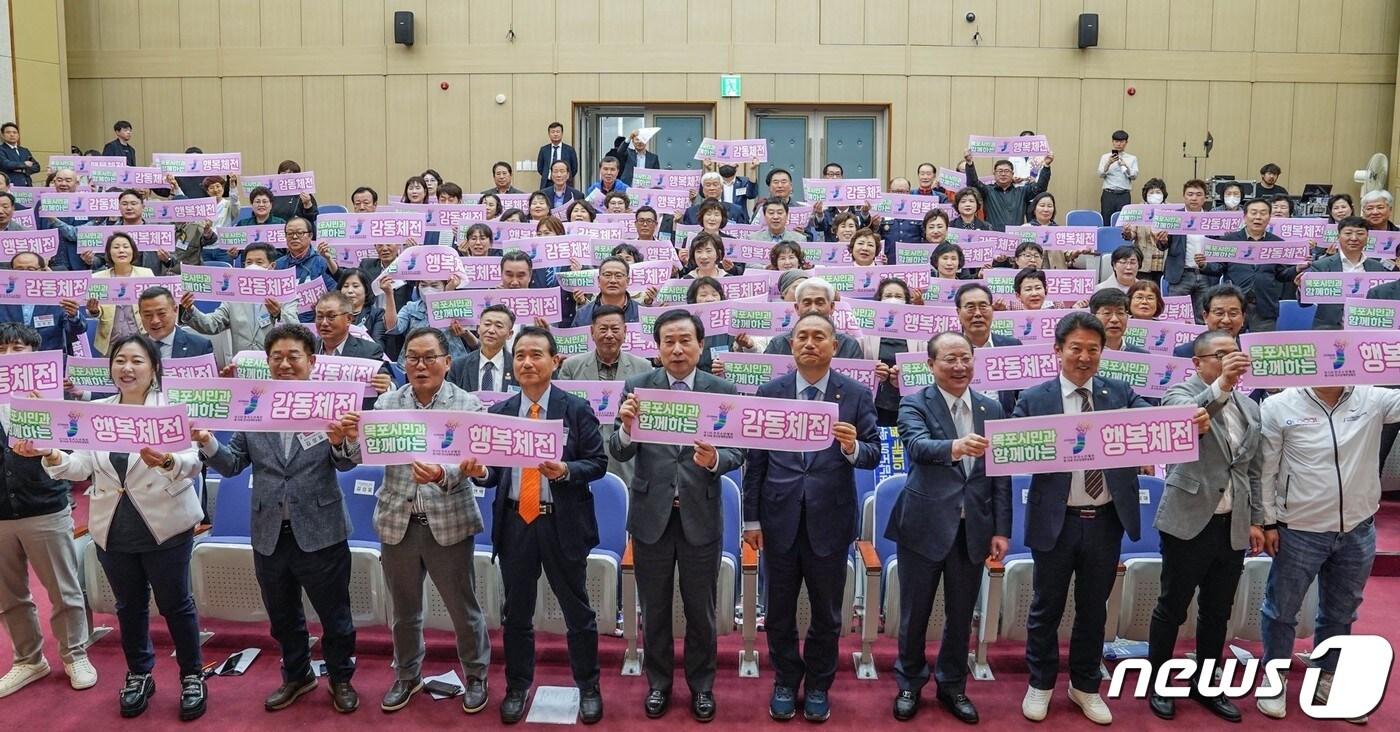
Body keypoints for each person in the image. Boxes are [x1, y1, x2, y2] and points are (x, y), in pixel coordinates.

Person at [22, 334, 205, 720]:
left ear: (154, 368)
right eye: (120, 360)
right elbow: (81, 467)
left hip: (165, 524)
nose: (127, 368)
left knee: (176, 604)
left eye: (137, 361)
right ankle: (140, 673)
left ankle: (192, 675)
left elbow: (193, 461)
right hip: (113, 527)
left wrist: (167, 462)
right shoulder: (100, 411)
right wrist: (52, 453)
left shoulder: (171, 409)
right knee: (129, 606)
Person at [196, 323, 361, 713]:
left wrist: (340, 441)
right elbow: (233, 463)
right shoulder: (254, 405)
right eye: (277, 357)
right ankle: (298, 676)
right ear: (267, 362)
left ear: (312, 361)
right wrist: (206, 440)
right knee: (283, 617)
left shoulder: (332, 404)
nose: (285, 364)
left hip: (321, 530)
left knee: (335, 615)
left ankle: (340, 679)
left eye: (294, 356)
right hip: (269, 531)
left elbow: (347, 463)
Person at [1014, 312, 1165, 725]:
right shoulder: (1033, 399)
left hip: (1104, 518)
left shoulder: (1120, 392)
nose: (1084, 357)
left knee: (1094, 608)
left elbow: (1155, 423)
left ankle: (1084, 685)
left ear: (1103, 352)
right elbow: (1010, 447)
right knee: (1045, 606)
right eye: (1075, 348)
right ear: (1057, 351)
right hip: (1055, 519)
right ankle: (1041, 682)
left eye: (1092, 350)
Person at [337, 328, 493, 716]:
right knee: (404, 610)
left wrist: (445, 474)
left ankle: (476, 675)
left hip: (449, 522)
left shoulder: (468, 405)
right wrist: (343, 439)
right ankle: (408, 674)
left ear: (447, 361)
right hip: (397, 522)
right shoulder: (387, 403)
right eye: (412, 358)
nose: (420, 366)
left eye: (428, 357)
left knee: (463, 608)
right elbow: (358, 454)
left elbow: (478, 464)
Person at [742, 312, 880, 723]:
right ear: (791, 344)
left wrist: (854, 447)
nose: (810, 343)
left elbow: (872, 451)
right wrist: (751, 521)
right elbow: (756, 461)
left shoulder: (854, 395)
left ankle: (819, 684)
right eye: (802, 336)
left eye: (819, 336)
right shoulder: (771, 392)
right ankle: (786, 680)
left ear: (834, 346)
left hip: (830, 522)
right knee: (779, 611)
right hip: (778, 519)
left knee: (827, 614)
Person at [467, 327, 608, 724]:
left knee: (577, 611)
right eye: (520, 356)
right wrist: (479, 472)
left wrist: (565, 469)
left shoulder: (575, 409)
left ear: (554, 361)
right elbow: (492, 473)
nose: (527, 362)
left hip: (561, 523)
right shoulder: (500, 413)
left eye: (536, 355)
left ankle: (589, 686)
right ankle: (516, 685)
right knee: (516, 612)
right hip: (516, 522)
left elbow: (598, 464)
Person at [610, 310, 745, 722]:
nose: (677, 349)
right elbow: (620, 450)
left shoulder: (721, 389)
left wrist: (716, 459)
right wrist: (628, 428)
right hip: (652, 515)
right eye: (668, 341)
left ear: (701, 345)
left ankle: (702, 686)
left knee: (699, 609)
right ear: (657, 347)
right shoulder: (637, 387)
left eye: (685, 340)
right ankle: (659, 684)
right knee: (655, 609)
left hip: (700, 515)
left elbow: (739, 452)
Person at [1254, 377, 1400, 723]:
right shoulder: (1280, 405)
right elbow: (1265, 470)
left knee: (1341, 612)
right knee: (1281, 610)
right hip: (1300, 528)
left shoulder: (1373, 398)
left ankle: (1327, 679)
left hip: (1357, 528)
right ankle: (1273, 680)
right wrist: (1269, 522)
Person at [889, 331, 1010, 724]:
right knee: (915, 612)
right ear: (930, 365)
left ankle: (953, 685)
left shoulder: (991, 408)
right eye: (949, 360)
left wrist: (1001, 529)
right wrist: (956, 447)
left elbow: (1000, 476)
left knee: (961, 615)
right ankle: (909, 682)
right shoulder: (914, 404)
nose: (959, 367)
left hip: (973, 528)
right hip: (924, 526)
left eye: (966, 359)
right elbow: (917, 447)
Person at [1147, 330, 1263, 723]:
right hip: (1188, 519)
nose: (1231, 360)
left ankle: (1206, 685)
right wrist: (1222, 385)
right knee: (1172, 607)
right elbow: (1184, 422)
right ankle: (1159, 683)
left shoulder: (1251, 406)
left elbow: (1253, 470)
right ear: (1198, 362)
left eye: (1235, 354)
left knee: (1218, 611)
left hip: (1233, 523)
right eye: (1221, 355)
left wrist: (1258, 520)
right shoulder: (1179, 393)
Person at [0, 323, 93, 698]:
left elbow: (78, 438)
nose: (9, 356)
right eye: (2, 349)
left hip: (45, 506)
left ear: (36, 356)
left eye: (18, 349)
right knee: (9, 596)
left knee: (63, 589)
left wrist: (51, 404)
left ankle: (75, 654)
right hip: (1, 512)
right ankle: (28, 659)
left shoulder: (54, 395)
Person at [558, 304, 654, 484]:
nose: (609, 335)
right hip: (582, 457)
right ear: (592, 332)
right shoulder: (571, 366)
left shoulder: (644, 368)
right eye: (603, 329)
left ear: (625, 332)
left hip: (627, 461)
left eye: (615, 329)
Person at [179, 242, 298, 359]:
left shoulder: (285, 294)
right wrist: (190, 309)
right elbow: (212, 324)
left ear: (272, 266)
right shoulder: (233, 297)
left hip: (275, 364)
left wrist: (278, 314)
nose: (253, 266)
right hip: (242, 365)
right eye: (249, 262)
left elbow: (295, 330)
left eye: (259, 262)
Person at [1297, 216, 1389, 329]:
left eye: (1360, 234)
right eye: (1348, 233)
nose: (1354, 238)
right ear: (1338, 236)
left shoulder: (1377, 268)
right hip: (1329, 330)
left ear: (1367, 237)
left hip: (1367, 330)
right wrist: (1303, 288)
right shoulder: (1322, 265)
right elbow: (1305, 304)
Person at [1218, 198, 1290, 333]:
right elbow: (1218, 268)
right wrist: (1203, 265)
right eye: (1254, 212)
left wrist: (1297, 268)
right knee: (1231, 347)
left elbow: (1282, 274)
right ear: (1245, 217)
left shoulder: (1277, 243)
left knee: (1261, 349)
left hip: (1265, 306)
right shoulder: (1229, 240)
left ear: (1269, 218)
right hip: (1234, 306)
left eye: (1263, 213)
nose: (1258, 217)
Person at [0, 251, 86, 353]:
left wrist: (73, 316)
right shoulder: (3, 297)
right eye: (19, 269)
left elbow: (78, 330)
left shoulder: (58, 297)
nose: (25, 273)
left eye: (30, 269)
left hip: (47, 362)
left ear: (43, 271)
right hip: (10, 361)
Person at [761, 278, 864, 358]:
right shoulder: (779, 344)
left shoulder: (848, 345)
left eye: (819, 303)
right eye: (807, 303)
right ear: (797, 308)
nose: (813, 309)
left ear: (832, 307)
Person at [866, 279, 922, 426]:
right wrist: (875, 372)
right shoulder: (867, 333)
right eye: (888, 295)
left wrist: (906, 376)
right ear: (879, 300)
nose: (893, 299)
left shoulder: (918, 332)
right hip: (875, 404)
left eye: (898, 296)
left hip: (910, 404)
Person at [87, 233, 154, 355]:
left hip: (143, 338)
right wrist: (94, 311)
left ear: (133, 251)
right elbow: (96, 312)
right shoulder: (97, 278)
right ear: (109, 252)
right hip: (111, 342)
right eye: (116, 247)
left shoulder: (146, 274)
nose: (121, 250)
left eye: (125, 247)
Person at [1161, 179, 1216, 321]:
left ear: (1205, 198)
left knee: (1203, 319)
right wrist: (1162, 240)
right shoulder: (1174, 218)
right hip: (1180, 275)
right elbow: (1163, 246)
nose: (1194, 198)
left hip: (1205, 275)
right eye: (1190, 194)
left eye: (1198, 194)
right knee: (1177, 318)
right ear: (1184, 196)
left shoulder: (1213, 220)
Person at [963, 150, 1053, 230]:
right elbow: (973, 184)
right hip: (993, 236)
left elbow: (1040, 188)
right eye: (1000, 171)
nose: (1003, 174)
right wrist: (969, 163)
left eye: (1006, 171)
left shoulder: (1022, 192)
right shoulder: (987, 191)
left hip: (1015, 238)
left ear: (1012, 174)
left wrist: (1046, 166)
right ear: (994, 174)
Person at [447, 304, 516, 392]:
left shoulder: (517, 366)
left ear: (510, 334)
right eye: (487, 324)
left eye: (499, 326)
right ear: (478, 328)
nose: (491, 330)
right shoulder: (459, 366)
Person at [138, 286, 214, 361]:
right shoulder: (132, 346)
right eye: (148, 315)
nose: (155, 321)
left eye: (161, 313)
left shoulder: (199, 347)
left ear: (175, 310)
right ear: (140, 315)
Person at [1172, 284, 1247, 358]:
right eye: (1219, 313)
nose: (1226, 320)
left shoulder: (1249, 351)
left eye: (1233, 314)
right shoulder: (1184, 353)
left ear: (1243, 318)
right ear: (1205, 317)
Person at [37, 169, 89, 272]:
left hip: (78, 262)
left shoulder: (86, 203)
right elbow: (37, 231)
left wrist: (52, 219)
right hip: (50, 263)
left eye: (68, 180)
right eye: (59, 180)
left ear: (77, 183)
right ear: (54, 182)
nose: (63, 184)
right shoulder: (43, 203)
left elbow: (82, 234)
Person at [571, 256, 641, 326]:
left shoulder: (641, 313)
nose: (613, 280)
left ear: (627, 281)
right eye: (607, 275)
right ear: (598, 280)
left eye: (618, 276)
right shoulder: (583, 315)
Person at [276, 217, 336, 298]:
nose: (294, 237)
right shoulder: (278, 264)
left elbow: (334, 292)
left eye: (300, 233)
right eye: (290, 233)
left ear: (310, 235)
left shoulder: (322, 262)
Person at [1123, 177, 1169, 282]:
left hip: (1164, 262)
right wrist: (1127, 232)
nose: (1155, 195)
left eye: (1158, 192)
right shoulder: (1138, 210)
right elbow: (1131, 235)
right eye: (1151, 192)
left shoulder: (1171, 210)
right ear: (1145, 195)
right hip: (1144, 260)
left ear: (1163, 194)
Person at [685, 277, 732, 375]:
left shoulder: (729, 325)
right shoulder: (687, 326)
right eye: (703, 295)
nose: (710, 299)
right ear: (694, 300)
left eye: (715, 294)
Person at [1096, 129, 1137, 223]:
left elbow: (1134, 176)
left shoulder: (1131, 158)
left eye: (1122, 141)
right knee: (1106, 220)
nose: (1119, 144)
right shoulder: (1105, 157)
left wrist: (1125, 165)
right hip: (1108, 194)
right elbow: (1100, 174)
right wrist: (1108, 163)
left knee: (1123, 222)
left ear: (1126, 143)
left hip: (1124, 194)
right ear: (1112, 142)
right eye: (1116, 141)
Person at [336, 268, 385, 343]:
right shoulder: (334, 313)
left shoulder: (377, 314)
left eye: (355, 286)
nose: (350, 291)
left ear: (366, 290)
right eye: (345, 286)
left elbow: (378, 346)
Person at [1089, 289, 1145, 353]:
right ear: (1093, 317)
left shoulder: (1142, 356)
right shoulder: (1084, 355)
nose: (1114, 319)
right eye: (1107, 313)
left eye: (1120, 313)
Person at [680, 173, 747, 226]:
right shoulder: (691, 212)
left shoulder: (736, 210)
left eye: (715, 184)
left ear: (721, 188)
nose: (712, 188)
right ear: (703, 189)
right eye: (708, 185)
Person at [536, 122, 579, 189]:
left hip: (565, 183)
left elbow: (574, 168)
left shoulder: (570, 150)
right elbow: (540, 168)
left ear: (562, 133)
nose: (555, 134)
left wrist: (563, 177)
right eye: (553, 132)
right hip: (547, 183)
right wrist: (550, 175)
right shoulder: (544, 150)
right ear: (549, 134)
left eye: (558, 132)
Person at [0, 122, 40, 187]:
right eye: (8, 132)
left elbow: (37, 167)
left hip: (27, 186)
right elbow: (6, 164)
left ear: (18, 135)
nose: (12, 134)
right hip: (10, 186)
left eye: (14, 132)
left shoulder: (24, 150)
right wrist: (24, 164)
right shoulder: (1, 149)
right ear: (2, 135)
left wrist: (23, 170)